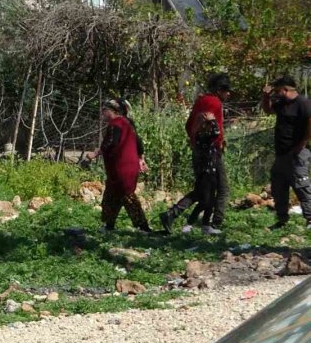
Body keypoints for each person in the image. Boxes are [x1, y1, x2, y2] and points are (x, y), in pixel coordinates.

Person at [160, 74, 232, 235]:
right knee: (221, 189)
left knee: (202, 190)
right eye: (227, 91)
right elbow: (216, 130)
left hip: (198, 151)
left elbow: (188, 125)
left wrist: (195, 139)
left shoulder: (201, 101)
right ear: (219, 90)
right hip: (212, 154)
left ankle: (174, 215)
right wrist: (218, 140)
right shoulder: (215, 103)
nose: (229, 94)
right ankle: (215, 223)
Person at [86, 99, 151, 233]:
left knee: (127, 198)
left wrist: (95, 153)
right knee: (111, 196)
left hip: (122, 169)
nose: (103, 112)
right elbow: (139, 142)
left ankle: (143, 227)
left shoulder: (116, 124)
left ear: (113, 111)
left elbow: (110, 142)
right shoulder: (127, 123)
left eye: (105, 110)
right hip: (126, 168)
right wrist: (141, 159)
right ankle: (109, 225)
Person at [262, 76, 311, 230]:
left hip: (297, 153)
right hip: (281, 153)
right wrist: (265, 96)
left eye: (277, 90)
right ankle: (282, 219)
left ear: (286, 89)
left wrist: (302, 144)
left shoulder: (303, 103)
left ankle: (310, 219)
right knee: (278, 187)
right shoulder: (282, 103)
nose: (276, 93)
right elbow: (268, 110)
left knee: (301, 186)